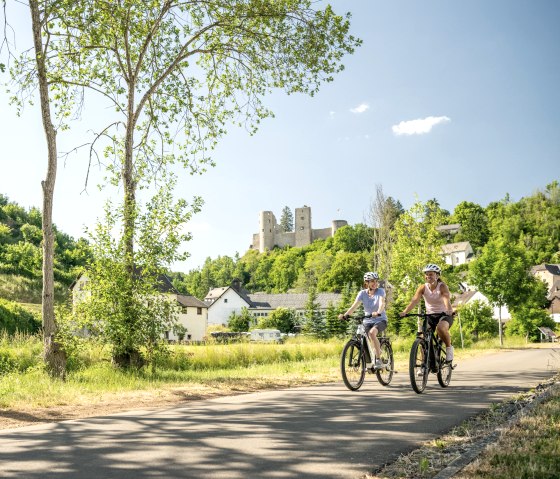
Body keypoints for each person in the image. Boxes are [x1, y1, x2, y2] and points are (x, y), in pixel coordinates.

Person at [399, 263, 455, 362]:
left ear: (437, 276)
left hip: (444, 315)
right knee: (423, 338)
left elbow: (446, 299)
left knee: (441, 328)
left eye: (431, 274)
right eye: (426, 274)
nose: (428, 276)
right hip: (430, 316)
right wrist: (405, 311)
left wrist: (449, 310)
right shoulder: (423, 287)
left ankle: (449, 348)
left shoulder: (442, 286)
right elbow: (414, 301)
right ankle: (424, 363)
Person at [338, 271, 388, 369]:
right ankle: (371, 359)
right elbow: (354, 306)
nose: (375, 283)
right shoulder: (362, 293)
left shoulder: (380, 291)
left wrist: (378, 312)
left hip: (380, 319)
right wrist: (345, 315)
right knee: (366, 338)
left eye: (376, 281)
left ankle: (378, 360)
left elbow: (382, 303)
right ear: (366, 283)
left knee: (372, 333)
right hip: (367, 320)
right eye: (372, 281)